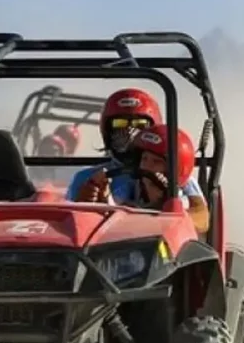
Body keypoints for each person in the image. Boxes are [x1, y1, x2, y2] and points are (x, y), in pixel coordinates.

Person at [66, 87, 206, 204]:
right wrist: (83, 204)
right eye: (120, 124)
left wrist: (169, 202)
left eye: (140, 125)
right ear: (107, 129)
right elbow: (68, 224)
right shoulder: (88, 178)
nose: (129, 131)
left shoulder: (171, 172)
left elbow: (201, 218)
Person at [77, 125, 211, 233]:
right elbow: (117, 209)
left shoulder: (181, 196)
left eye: (156, 162)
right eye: (145, 159)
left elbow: (201, 219)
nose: (147, 166)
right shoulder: (133, 185)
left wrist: (172, 214)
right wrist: (100, 199)